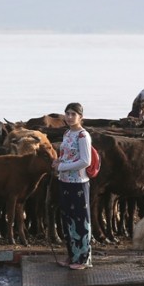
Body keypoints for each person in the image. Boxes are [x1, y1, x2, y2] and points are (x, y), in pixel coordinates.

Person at [51, 102, 93, 270]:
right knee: (68, 219)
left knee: (81, 220)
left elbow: (85, 161)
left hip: (79, 183)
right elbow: (67, 154)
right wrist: (59, 161)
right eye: (67, 113)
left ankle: (83, 259)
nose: (69, 117)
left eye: (73, 114)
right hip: (65, 181)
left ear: (80, 117)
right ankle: (72, 255)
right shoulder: (67, 133)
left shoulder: (83, 136)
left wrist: (62, 167)